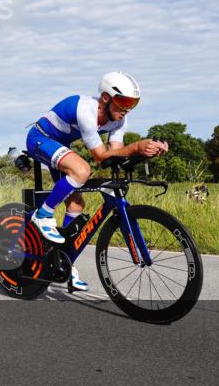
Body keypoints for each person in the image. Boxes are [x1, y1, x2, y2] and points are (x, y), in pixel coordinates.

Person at [25, 72, 169, 290]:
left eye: (132, 104)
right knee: (82, 170)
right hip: (40, 139)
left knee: (76, 204)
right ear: (105, 98)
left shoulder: (119, 120)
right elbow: (100, 156)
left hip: (61, 146)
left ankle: (64, 261)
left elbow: (114, 155)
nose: (126, 109)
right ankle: (43, 214)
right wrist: (137, 145)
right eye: (123, 102)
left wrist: (145, 152)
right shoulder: (86, 110)